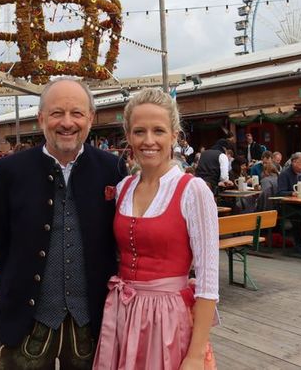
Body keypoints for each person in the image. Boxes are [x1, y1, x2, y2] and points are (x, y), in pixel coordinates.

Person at [0, 78, 126, 369]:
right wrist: (19, 278)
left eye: (76, 113)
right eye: (57, 113)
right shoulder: (11, 169)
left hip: (92, 319)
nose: (67, 122)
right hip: (27, 319)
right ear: (41, 119)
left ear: (90, 118)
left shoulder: (111, 167)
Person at [93, 88, 218, 369]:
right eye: (139, 131)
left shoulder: (192, 190)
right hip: (123, 313)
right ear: (128, 136)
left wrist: (196, 355)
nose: (149, 141)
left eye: (159, 131)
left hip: (169, 320)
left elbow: (209, 282)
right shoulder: (124, 188)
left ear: (174, 135)